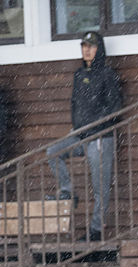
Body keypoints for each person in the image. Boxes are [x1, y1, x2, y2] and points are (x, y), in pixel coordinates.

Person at [46, 30, 122, 241]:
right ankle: (67, 191)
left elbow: (115, 107)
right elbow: (75, 104)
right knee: (53, 152)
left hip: (100, 137)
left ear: (99, 49)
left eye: (91, 46)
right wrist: (77, 126)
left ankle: (96, 230)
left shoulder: (107, 74)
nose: (87, 50)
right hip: (80, 135)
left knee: (100, 186)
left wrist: (96, 124)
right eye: (84, 46)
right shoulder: (79, 75)